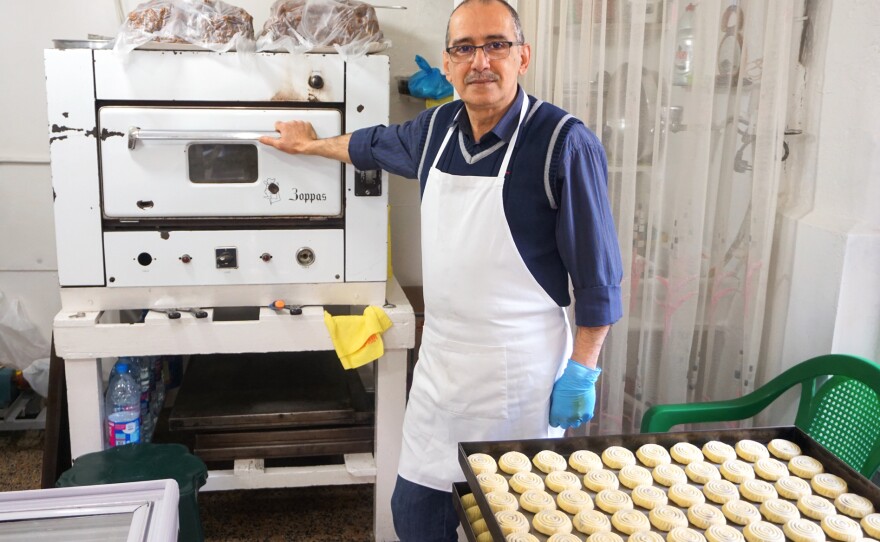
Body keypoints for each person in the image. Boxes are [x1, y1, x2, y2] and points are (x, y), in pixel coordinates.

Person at [260, 0, 623, 539]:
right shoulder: (434, 132)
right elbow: (370, 146)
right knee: (416, 517)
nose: (480, 61)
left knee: (511, 525)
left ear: (522, 56)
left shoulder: (564, 143)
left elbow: (598, 277)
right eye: (464, 49)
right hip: (441, 375)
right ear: (447, 65)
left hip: (517, 378)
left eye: (495, 45)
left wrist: (583, 367)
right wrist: (309, 144)